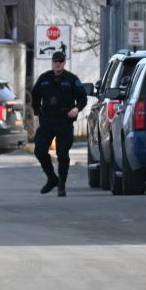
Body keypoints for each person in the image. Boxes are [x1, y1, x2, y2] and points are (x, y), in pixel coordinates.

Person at [30, 51, 87, 197]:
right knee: (40, 150)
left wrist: (76, 109)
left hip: (64, 120)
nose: (58, 64)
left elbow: (82, 98)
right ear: (52, 62)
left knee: (62, 153)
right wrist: (37, 112)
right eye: (56, 61)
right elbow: (35, 95)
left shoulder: (71, 79)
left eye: (61, 61)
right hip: (47, 120)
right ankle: (52, 178)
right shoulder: (44, 78)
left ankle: (61, 183)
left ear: (64, 63)